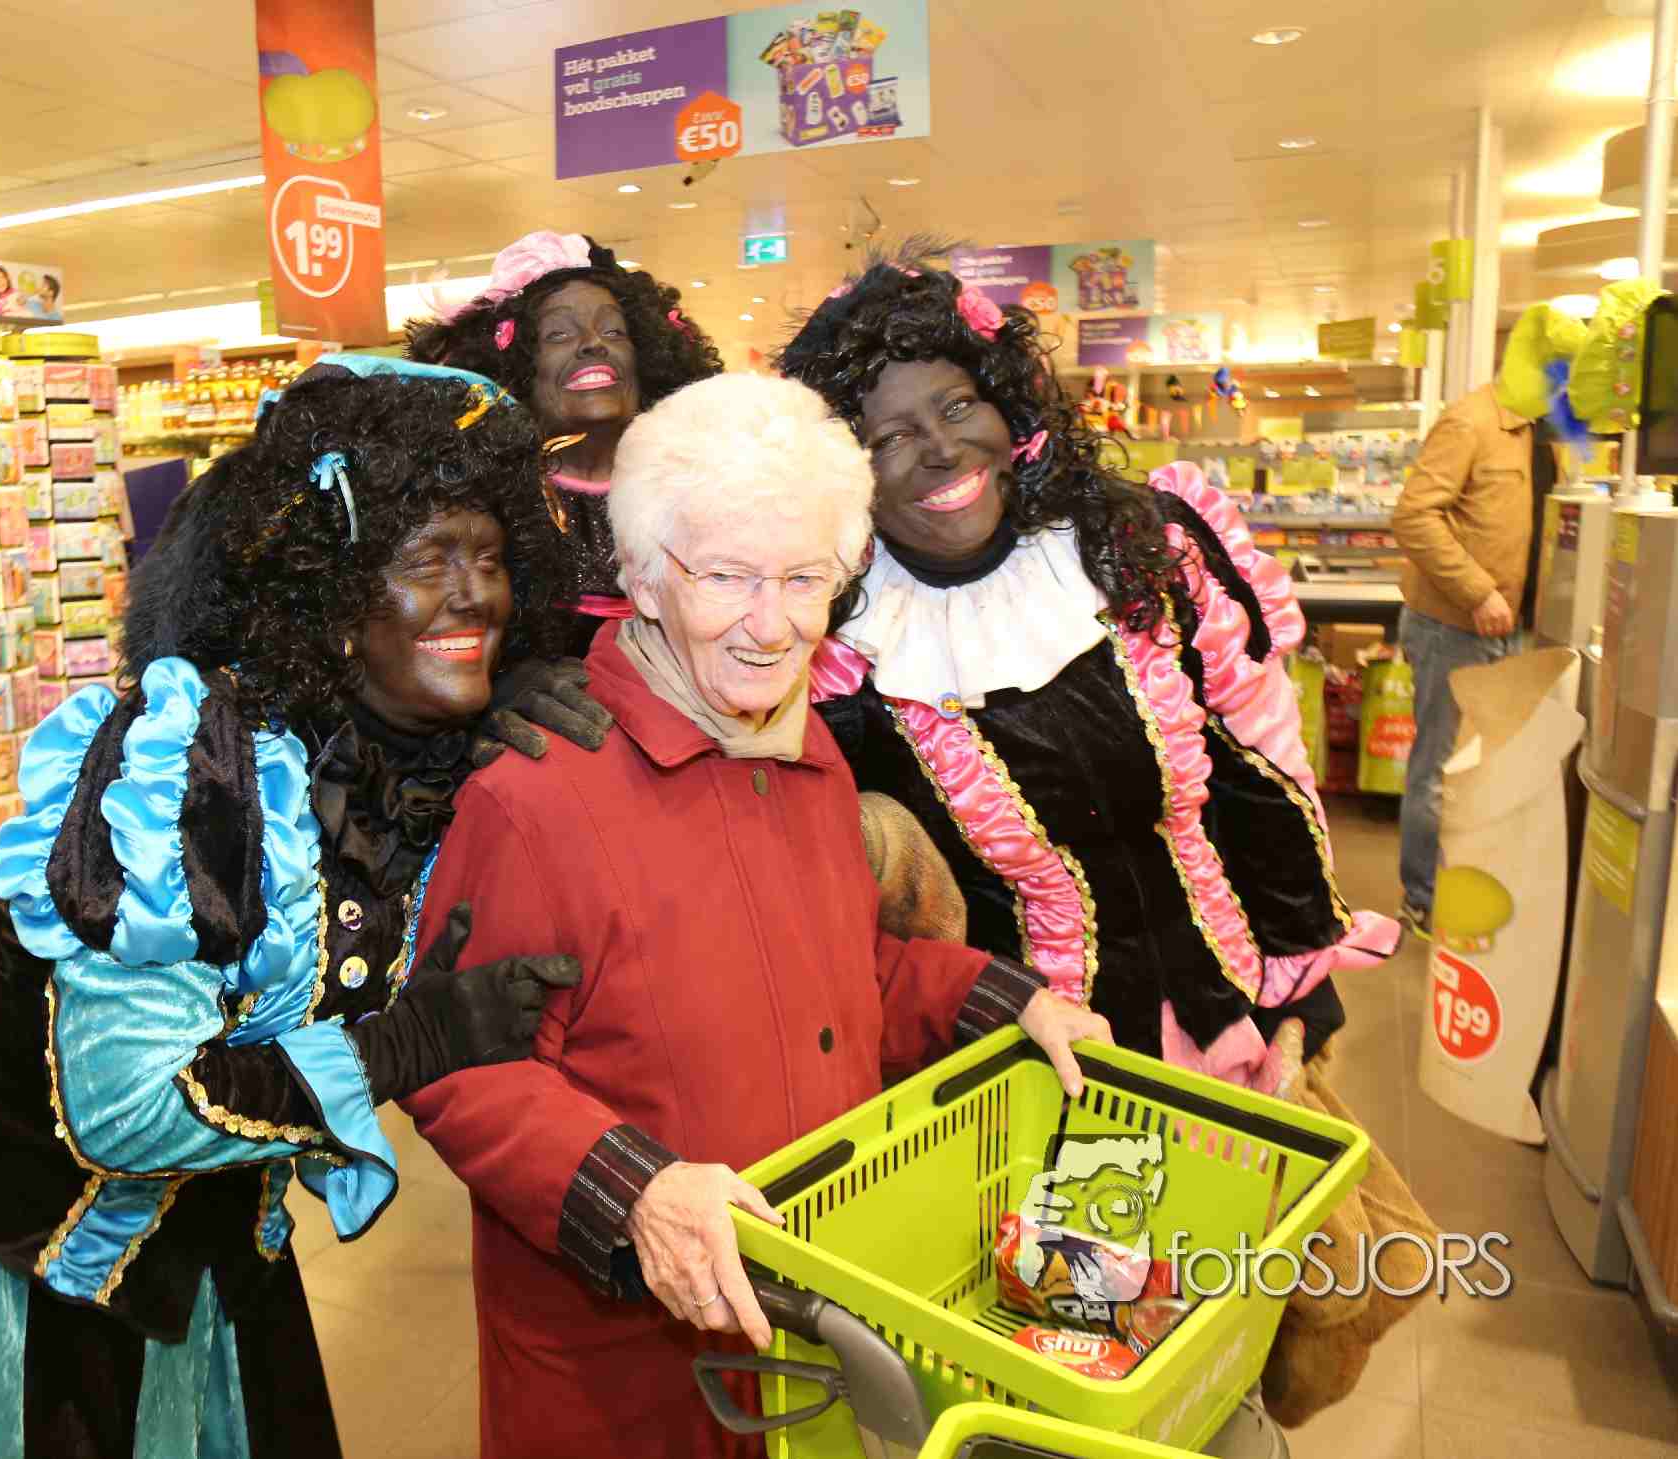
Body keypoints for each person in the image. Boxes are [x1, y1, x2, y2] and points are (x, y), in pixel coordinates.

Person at [0, 357, 609, 1458]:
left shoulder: (420, 764)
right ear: (333, 599)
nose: (475, 594)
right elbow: (125, 1106)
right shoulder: (196, 767)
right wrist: (404, 1044)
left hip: (195, 1224)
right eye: (429, 559)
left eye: (489, 557)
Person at [399, 373, 1109, 1459]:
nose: (771, 626)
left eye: (803, 578)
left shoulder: (806, 754)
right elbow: (459, 1066)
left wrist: (1010, 1005)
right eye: (726, 576)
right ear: (643, 578)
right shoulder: (533, 796)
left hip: (809, 1330)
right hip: (631, 1367)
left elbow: (845, 970)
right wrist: (635, 1191)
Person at [777, 240, 1396, 1092]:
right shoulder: (841, 652)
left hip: (1233, 1017)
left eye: (958, 405)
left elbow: (1261, 767)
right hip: (1024, 1067)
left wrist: (1302, 978)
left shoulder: (1138, 552)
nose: (942, 448)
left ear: (1007, 406)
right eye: (890, 436)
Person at [406, 230, 722, 655]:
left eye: (614, 331)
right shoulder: (482, 501)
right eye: (558, 335)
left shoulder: (694, 490)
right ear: (515, 369)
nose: (594, 344)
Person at [1390, 331, 1555, 937]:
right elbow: (1413, 515)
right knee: (1440, 770)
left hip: (1511, 633)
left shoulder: (1539, 433)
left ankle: (1466, 890)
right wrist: (1477, 590)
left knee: (1483, 775)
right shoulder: (1471, 421)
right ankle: (1425, 900)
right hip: (1454, 627)